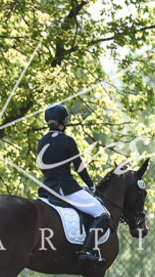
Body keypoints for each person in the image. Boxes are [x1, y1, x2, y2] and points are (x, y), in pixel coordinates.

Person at [37, 103, 111, 267]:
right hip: (66, 189)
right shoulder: (67, 141)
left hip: (47, 189)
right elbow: (79, 167)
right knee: (103, 214)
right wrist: (91, 185)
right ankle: (86, 251)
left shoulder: (42, 142)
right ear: (64, 121)